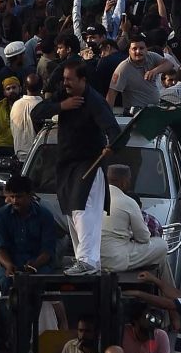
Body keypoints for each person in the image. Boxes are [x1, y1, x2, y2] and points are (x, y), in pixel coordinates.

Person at [31, 58, 122, 274]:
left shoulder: (95, 101)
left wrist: (111, 147)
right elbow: (37, 112)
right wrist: (61, 106)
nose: (66, 83)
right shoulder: (64, 96)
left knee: (83, 210)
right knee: (71, 212)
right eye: (64, 79)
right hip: (66, 163)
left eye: (70, 80)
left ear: (82, 79)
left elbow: (114, 131)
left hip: (89, 163)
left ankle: (88, 261)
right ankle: (85, 259)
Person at [100, 165, 174, 282]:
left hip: (93, 259)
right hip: (116, 261)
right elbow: (143, 238)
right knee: (162, 245)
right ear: (124, 182)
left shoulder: (94, 199)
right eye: (129, 180)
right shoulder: (128, 201)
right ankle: (170, 294)